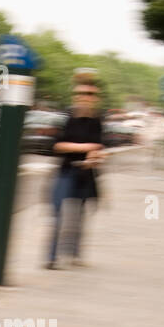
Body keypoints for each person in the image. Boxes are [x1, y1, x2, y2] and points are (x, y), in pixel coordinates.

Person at [47, 83, 105, 268]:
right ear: (75, 95)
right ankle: (52, 257)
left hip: (86, 172)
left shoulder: (97, 121)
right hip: (66, 170)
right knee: (58, 213)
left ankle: (74, 254)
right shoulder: (66, 117)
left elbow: (100, 146)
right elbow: (57, 146)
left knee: (79, 216)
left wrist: (95, 156)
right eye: (81, 93)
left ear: (95, 98)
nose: (85, 97)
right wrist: (85, 148)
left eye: (90, 94)